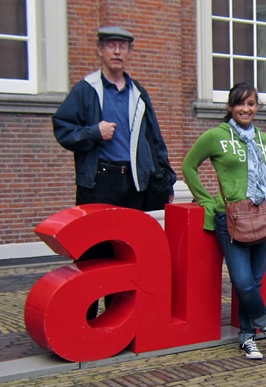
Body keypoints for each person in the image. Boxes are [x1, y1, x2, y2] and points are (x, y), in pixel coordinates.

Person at [52, 25, 176, 319]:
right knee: (93, 252)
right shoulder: (86, 90)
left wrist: (166, 178)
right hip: (99, 181)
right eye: (111, 45)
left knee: (126, 253)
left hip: (132, 182)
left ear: (130, 53)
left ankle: (120, 319)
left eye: (123, 46)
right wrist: (94, 132)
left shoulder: (138, 94)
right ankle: (86, 320)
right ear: (100, 50)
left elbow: (154, 139)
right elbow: (63, 130)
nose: (117, 51)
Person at [182, 83, 266, 360]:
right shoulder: (216, 136)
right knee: (242, 281)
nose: (246, 109)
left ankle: (247, 337)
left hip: (261, 215)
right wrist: (204, 200)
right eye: (240, 104)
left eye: (251, 104)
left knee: (255, 282)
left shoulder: (263, 139)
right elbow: (189, 165)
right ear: (230, 107)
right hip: (230, 217)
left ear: (256, 107)